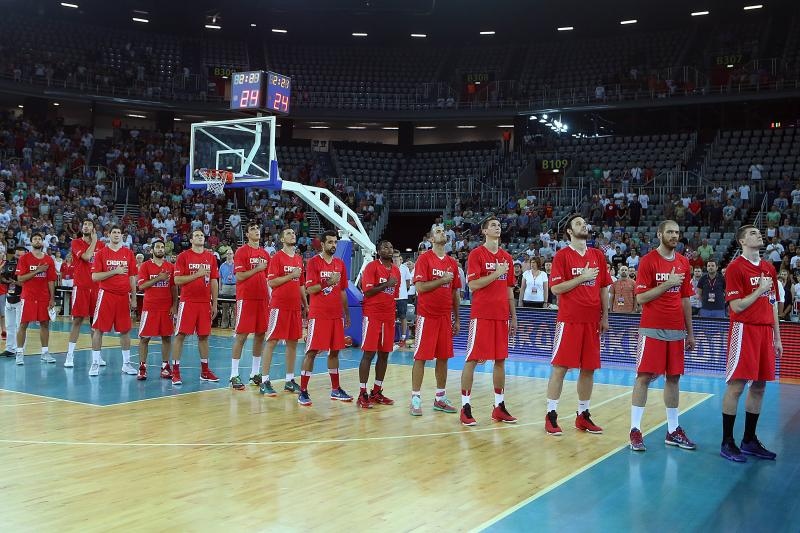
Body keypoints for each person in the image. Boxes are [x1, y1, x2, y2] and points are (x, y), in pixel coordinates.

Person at [629, 220, 697, 451]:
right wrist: (668, 284)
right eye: (670, 232)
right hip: (652, 328)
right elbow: (641, 298)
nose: (674, 235)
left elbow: (686, 299)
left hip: (677, 330)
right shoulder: (648, 261)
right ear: (660, 234)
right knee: (644, 377)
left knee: (674, 378)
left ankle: (672, 430)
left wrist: (690, 333)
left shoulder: (683, 262)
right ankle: (635, 430)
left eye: (677, 232)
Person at [719, 225, 782, 462]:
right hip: (744, 330)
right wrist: (759, 290)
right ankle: (727, 442)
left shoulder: (768, 268)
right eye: (753, 233)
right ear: (742, 241)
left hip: (765, 332)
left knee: (759, 387)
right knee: (736, 387)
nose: (759, 235)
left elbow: (773, 303)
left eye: (759, 232)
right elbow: (736, 307)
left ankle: (749, 440)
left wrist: (777, 337)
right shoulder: (735, 268)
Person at [544, 215, 611, 436]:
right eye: (578, 224)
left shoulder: (597, 256)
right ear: (570, 232)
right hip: (569, 320)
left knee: (588, 369)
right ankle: (551, 415)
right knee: (561, 368)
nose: (584, 225)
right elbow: (556, 289)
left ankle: (583, 415)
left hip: (592, 321)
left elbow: (603, 288)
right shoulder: (562, 256)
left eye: (585, 223)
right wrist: (581, 278)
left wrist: (605, 317)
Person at [460, 217, 518, 426]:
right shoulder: (476, 254)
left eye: (498, 225)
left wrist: (513, 316)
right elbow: (474, 285)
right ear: (484, 231)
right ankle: (465, 407)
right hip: (481, 314)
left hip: (501, 315)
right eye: (492, 225)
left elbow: (509, 289)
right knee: (472, 359)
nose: (497, 227)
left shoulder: (507, 258)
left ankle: (499, 406)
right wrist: (496, 273)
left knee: (501, 360)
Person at [410, 225, 461, 416]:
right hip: (427, 316)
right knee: (421, 357)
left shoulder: (452, 263)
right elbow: (421, 288)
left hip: (445, 317)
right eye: (438, 231)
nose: (443, 233)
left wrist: (456, 318)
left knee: (443, 358)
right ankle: (415, 398)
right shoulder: (424, 259)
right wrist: (442, 280)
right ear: (431, 239)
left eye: (444, 231)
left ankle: (440, 398)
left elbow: (455, 292)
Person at [298, 230, 352, 405]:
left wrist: (347, 313)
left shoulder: (340, 264)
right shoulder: (313, 263)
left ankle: (336, 389)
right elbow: (310, 289)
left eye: (335, 242)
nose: (333, 245)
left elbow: (343, 290)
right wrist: (328, 282)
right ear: (322, 244)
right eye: (330, 242)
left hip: (336, 315)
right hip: (319, 314)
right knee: (312, 352)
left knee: (335, 351)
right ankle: (303, 391)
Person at [259, 228, 306, 396]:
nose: (292, 235)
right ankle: (264, 381)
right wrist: (290, 275)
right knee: (271, 341)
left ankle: (289, 380)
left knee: (293, 342)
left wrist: (305, 304)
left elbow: (301, 284)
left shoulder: (299, 259)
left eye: (294, 233)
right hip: (279, 306)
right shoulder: (277, 257)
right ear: (282, 239)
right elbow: (271, 282)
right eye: (288, 233)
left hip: (295, 307)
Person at [171, 229, 220, 385]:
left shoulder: (210, 257)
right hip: (188, 302)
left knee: (204, 336)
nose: (200, 237)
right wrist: (197, 275)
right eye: (197, 235)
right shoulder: (183, 256)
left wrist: (215, 302)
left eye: (201, 235)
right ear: (191, 240)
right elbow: (177, 280)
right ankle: (176, 371)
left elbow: (214, 281)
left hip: (205, 302)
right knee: (180, 335)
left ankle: (205, 371)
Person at [357, 240, 400, 408]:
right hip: (372, 315)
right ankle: (362, 393)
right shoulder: (372, 267)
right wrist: (386, 284)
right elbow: (367, 291)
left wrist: (389, 286)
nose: (388, 249)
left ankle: (376, 391)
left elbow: (393, 294)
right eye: (384, 247)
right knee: (368, 354)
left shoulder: (396, 270)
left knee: (384, 354)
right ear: (378, 251)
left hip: (388, 316)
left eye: (390, 247)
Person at [89, 226, 138, 376]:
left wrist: (134, 298)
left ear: (122, 236)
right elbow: (95, 277)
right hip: (106, 295)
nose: (116, 235)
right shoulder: (101, 253)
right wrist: (114, 271)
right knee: (99, 329)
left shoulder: (128, 254)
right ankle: (95, 363)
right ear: (108, 234)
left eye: (119, 233)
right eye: (114, 232)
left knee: (125, 330)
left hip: (124, 296)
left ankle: (126, 364)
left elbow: (132, 278)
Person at [229, 222, 270, 390]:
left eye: (257, 228)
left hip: (262, 299)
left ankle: (254, 373)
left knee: (260, 335)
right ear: (247, 234)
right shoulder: (241, 251)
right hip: (246, 298)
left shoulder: (265, 254)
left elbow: (268, 279)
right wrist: (258, 268)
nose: (256, 231)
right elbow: (239, 276)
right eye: (252, 229)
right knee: (242, 336)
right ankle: (233, 375)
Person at [65, 219, 104, 368]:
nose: (86, 226)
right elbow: (87, 257)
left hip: (96, 287)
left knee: (96, 324)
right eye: (84, 224)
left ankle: (97, 356)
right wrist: (94, 241)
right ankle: (69, 355)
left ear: (94, 228)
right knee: (77, 321)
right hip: (81, 286)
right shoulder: (76, 243)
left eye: (89, 224)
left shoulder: (102, 246)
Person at [136, 239, 177, 380]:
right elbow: (141, 286)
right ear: (152, 250)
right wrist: (158, 278)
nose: (160, 249)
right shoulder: (145, 266)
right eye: (157, 247)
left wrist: (174, 305)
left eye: (162, 247)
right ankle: (142, 367)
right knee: (144, 338)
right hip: (150, 307)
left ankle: (165, 366)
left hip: (166, 308)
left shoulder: (170, 266)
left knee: (166, 337)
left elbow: (173, 287)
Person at [15, 233, 57, 365]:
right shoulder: (24, 258)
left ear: (43, 242)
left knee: (45, 324)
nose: (37, 241)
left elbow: (51, 281)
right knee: (23, 325)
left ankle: (45, 352)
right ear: (31, 242)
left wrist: (52, 298)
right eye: (35, 239)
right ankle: (20, 353)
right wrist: (37, 271)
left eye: (39, 239)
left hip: (44, 297)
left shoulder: (49, 260)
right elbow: (20, 279)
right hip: (28, 297)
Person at [1, 247, 24, 357]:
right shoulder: (10, 264)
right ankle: (10, 348)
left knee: (20, 326)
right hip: (9, 296)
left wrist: (15, 281)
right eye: (17, 255)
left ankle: (20, 350)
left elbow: (27, 283)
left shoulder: (28, 266)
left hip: (21, 299)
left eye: (21, 255)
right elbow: (3, 277)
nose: (18, 257)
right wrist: (5, 279)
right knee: (9, 325)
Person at [218, 248, 236, 328]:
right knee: (225, 307)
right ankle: (224, 324)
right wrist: (220, 289)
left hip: (235, 286)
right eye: (228, 254)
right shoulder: (222, 266)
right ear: (226, 255)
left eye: (230, 253)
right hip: (225, 286)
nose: (229, 255)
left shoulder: (236, 265)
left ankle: (234, 324)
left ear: (233, 255)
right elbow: (220, 278)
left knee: (235, 307)